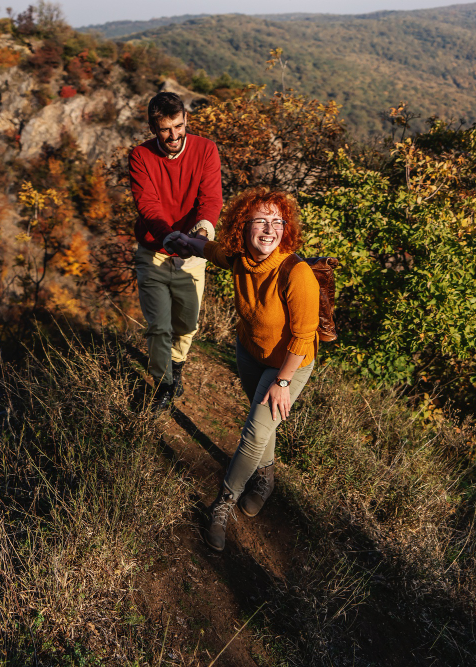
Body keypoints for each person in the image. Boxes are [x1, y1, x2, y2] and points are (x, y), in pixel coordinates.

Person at [174, 187, 319, 551]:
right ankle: (265, 476)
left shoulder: (296, 273)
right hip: (250, 351)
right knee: (260, 419)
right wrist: (184, 241)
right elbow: (212, 252)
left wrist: (283, 381)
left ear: (286, 229)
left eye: (277, 222)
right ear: (244, 226)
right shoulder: (241, 259)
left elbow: (304, 337)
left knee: (255, 432)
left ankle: (224, 502)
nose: (269, 230)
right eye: (260, 221)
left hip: (290, 362)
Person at [129, 92, 223, 411]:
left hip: (193, 253)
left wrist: (201, 234)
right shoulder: (140, 156)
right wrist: (169, 237)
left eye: (179, 126)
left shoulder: (206, 150)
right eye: (166, 129)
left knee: (187, 324)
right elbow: (148, 204)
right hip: (154, 251)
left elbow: (210, 199)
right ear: (154, 127)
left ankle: (177, 365)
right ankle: (165, 383)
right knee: (159, 326)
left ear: (186, 120)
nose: (174, 136)